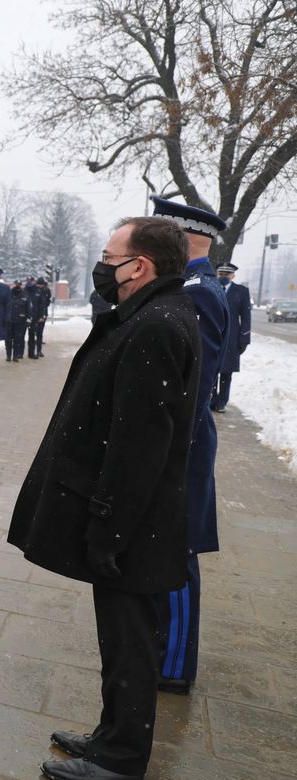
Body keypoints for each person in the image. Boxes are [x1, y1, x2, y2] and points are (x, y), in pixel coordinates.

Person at [9, 215, 200, 780]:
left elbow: (139, 446)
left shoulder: (156, 326)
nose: (102, 262)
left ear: (138, 265)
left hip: (133, 526)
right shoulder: (151, 316)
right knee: (121, 638)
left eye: (109, 254)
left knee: (130, 641)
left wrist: (107, 530)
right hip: (133, 521)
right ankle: (113, 732)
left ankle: (120, 758)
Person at [149, 196, 229, 696]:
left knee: (177, 556)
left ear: (182, 237)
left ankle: (173, 665)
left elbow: (192, 386)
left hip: (182, 449)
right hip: (177, 446)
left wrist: (165, 451)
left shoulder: (199, 292)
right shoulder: (189, 287)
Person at [211, 261, 251, 413]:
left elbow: (246, 317)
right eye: (221, 274)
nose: (223, 277)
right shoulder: (211, 288)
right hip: (213, 335)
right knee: (212, 370)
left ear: (233, 275)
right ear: (217, 274)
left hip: (231, 339)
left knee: (226, 373)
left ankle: (221, 402)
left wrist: (244, 339)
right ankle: (211, 400)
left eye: (227, 274)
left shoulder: (241, 291)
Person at [27, 277, 52, 358]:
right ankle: (37, 351)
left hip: (40, 314)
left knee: (37, 334)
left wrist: (43, 314)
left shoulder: (45, 291)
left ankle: (38, 351)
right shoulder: (35, 291)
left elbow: (47, 302)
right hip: (37, 315)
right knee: (37, 334)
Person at [7, 278, 30, 361]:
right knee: (8, 339)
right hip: (10, 320)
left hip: (20, 321)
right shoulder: (9, 294)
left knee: (18, 339)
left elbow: (28, 308)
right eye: (16, 284)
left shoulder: (24, 295)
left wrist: (28, 319)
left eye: (19, 285)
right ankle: (8, 355)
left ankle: (16, 356)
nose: (18, 286)